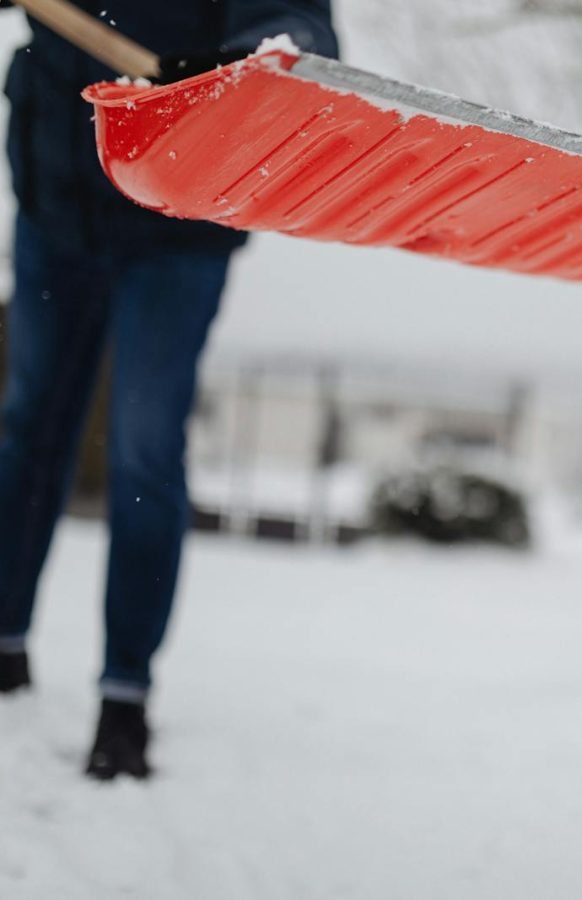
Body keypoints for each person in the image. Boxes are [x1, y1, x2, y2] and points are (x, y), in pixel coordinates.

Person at [0, 1, 338, 779]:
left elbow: (297, 21)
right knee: (31, 426)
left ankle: (125, 692)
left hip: (183, 204)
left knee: (144, 449)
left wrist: (250, 67)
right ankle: (5, 641)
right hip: (59, 186)